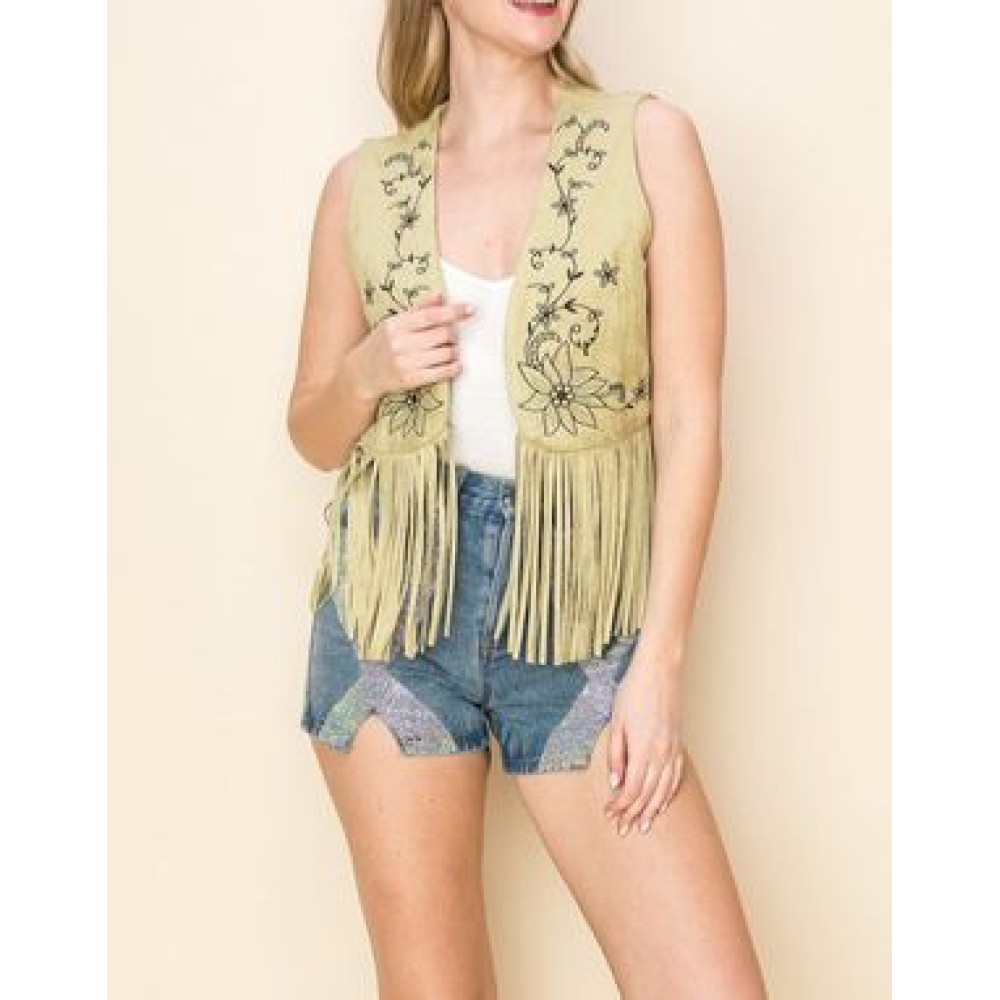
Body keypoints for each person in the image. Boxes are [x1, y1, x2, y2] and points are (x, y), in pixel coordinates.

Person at [286, 1, 767, 996]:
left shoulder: (649, 142)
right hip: (391, 614)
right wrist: (368, 370)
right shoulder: (360, 185)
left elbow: (690, 422)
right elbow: (313, 431)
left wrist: (657, 669)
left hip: (580, 610)